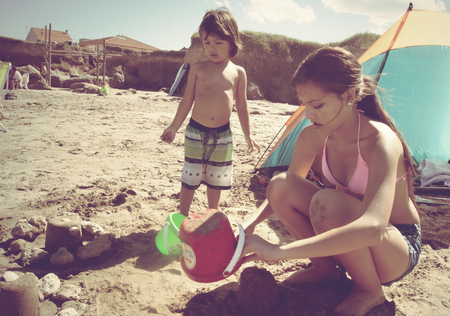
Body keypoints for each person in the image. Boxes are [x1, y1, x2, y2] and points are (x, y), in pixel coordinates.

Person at [241, 47, 421, 316]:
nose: (308, 115)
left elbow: (373, 228)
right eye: (304, 105)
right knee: (280, 184)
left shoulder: (380, 142)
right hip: (353, 238)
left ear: (348, 96)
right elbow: (285, 192)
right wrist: (248, 224)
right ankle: (325, 271)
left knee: (328, 203)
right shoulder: (312, 136)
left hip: (395, 247)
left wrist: (279, 251)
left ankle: (369, 291)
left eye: (317, 105)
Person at [161, 8, 260, 216]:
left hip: (223, 135)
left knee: (216, 180)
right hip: (196, 132)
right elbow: (187, 100)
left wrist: (248, 134)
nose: (212, 48)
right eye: (207, 43)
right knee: (190, 177)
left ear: (232, 43)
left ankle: (211, 214)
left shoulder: (238, 72)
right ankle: (182, 216)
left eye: (218, 42)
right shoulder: (198, 68)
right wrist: (173, 126)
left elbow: (242, 106)